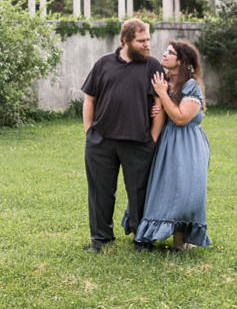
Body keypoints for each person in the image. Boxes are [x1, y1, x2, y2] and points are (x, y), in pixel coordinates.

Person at [81, 19, 164, 253]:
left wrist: (153, 138)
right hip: (101, 141)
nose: (147, 44)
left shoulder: (153, 66)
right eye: (142, 41)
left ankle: (142, 239)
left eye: (148, 39)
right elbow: (90, 99)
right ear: (126, 41)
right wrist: (90, 133)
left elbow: (160, 104)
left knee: (139, 192)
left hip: (138, 142)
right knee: (100, 191)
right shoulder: (103, 64)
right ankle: (100, 239)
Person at [126, 39, 212, 251]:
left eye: (170, 52)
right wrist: (156, 109)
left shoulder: (191, 85)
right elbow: (161, 111)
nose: (164, 54)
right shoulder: (163, 81)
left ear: (181, 61)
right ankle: (150, 235)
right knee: (163, 187)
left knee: (182, 190)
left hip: (186, 144)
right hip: (165, 141)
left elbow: (181, 118)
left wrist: (163, 95)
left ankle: (180, 243)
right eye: (165, 50)